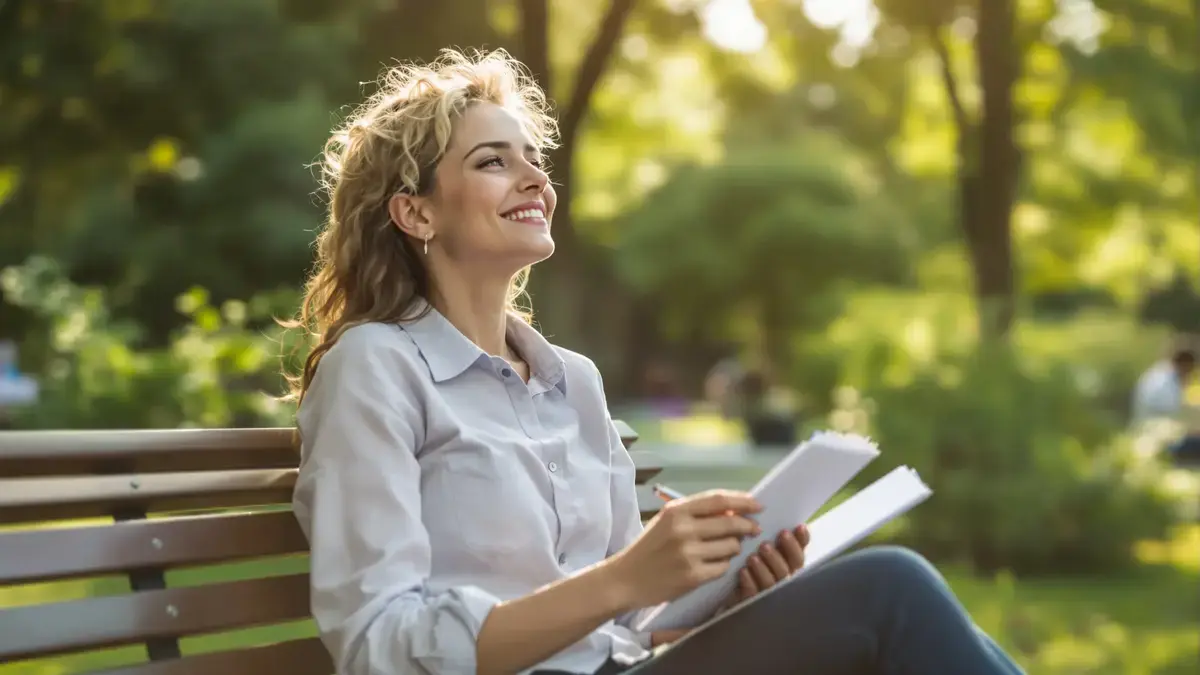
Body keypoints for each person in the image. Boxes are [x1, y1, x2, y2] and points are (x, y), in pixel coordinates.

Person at [287, 48, 1025, 675]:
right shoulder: (375, 367)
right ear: (416, 212)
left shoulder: (571, 381)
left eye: (535, 160)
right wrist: (624, 579)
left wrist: (721, 590)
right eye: (492, 162)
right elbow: (378, 643)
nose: (536, 179)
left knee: (896, 609)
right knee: (890, 590)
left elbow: (629, 621)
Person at [1132, 339, 1200, 463]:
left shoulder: (1162, 374)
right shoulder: (1162, 380)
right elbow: (1173, 411)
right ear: (1185, 364)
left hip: (1158, 430)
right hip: (1156, 434)